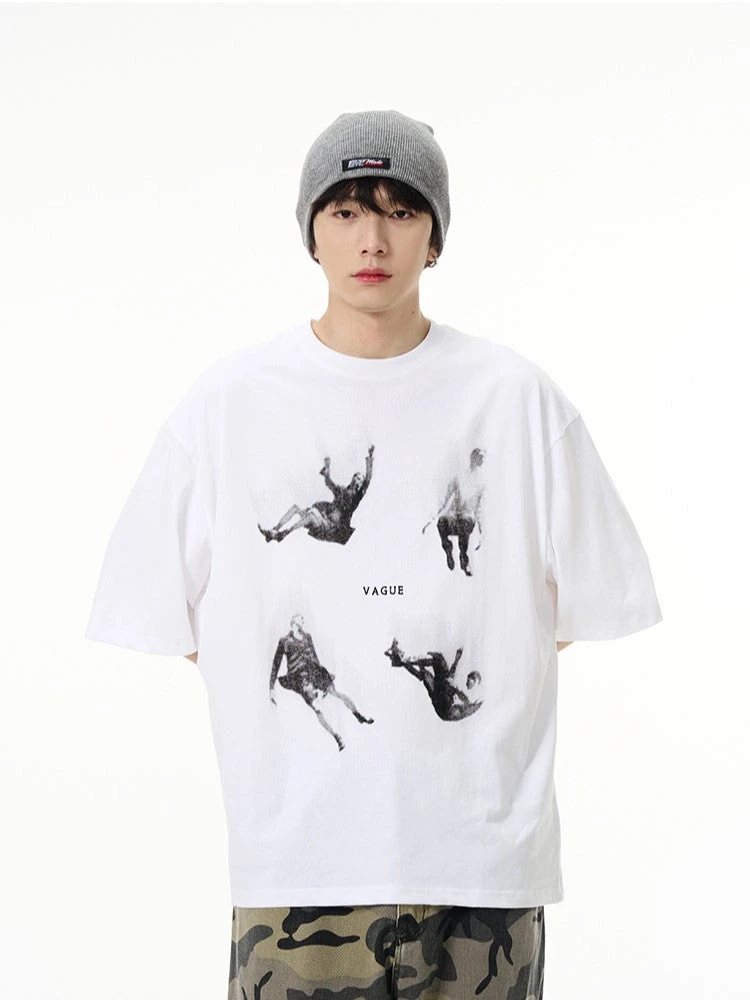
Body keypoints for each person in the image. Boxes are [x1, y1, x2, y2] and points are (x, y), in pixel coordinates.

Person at [85, 110, 663, 1000]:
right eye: (347, 210)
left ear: (435, 235)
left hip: (480, 870)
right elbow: (159, 605)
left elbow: (588, 600)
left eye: (401, 210)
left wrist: (487, 645)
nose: (373, 239)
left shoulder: (516, 399)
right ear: (311, 231)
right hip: (297, 869)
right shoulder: (228, 405)